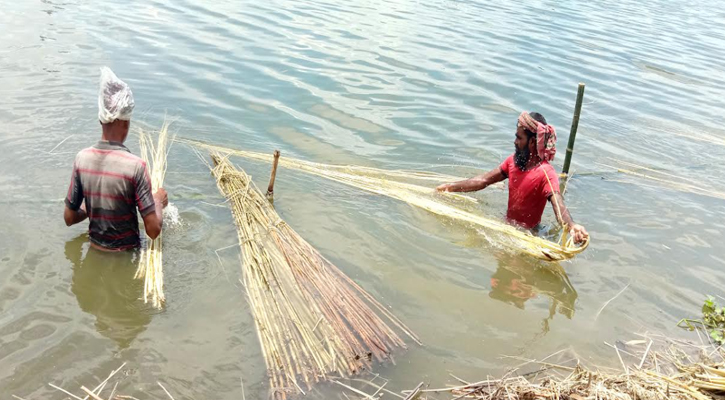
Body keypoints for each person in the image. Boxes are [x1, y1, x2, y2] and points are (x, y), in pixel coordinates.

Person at [437, 112, 589, 243]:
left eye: (519, 138)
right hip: (508, 227)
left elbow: (558, 204)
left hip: (528, 235)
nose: (515, 142)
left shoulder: (546, 173)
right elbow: (484, 180)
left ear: (531, 142)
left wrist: (571, 226)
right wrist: (450, 187)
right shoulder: (513, 162)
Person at [64, 67, 168, 251]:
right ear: (126, 122)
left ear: (100, 120)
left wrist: (94, 204)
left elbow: (69, 218)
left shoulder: (81, 159)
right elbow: (152, 230)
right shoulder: (135, 167)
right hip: (126, 254)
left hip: (94, 250)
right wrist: (158, 200)